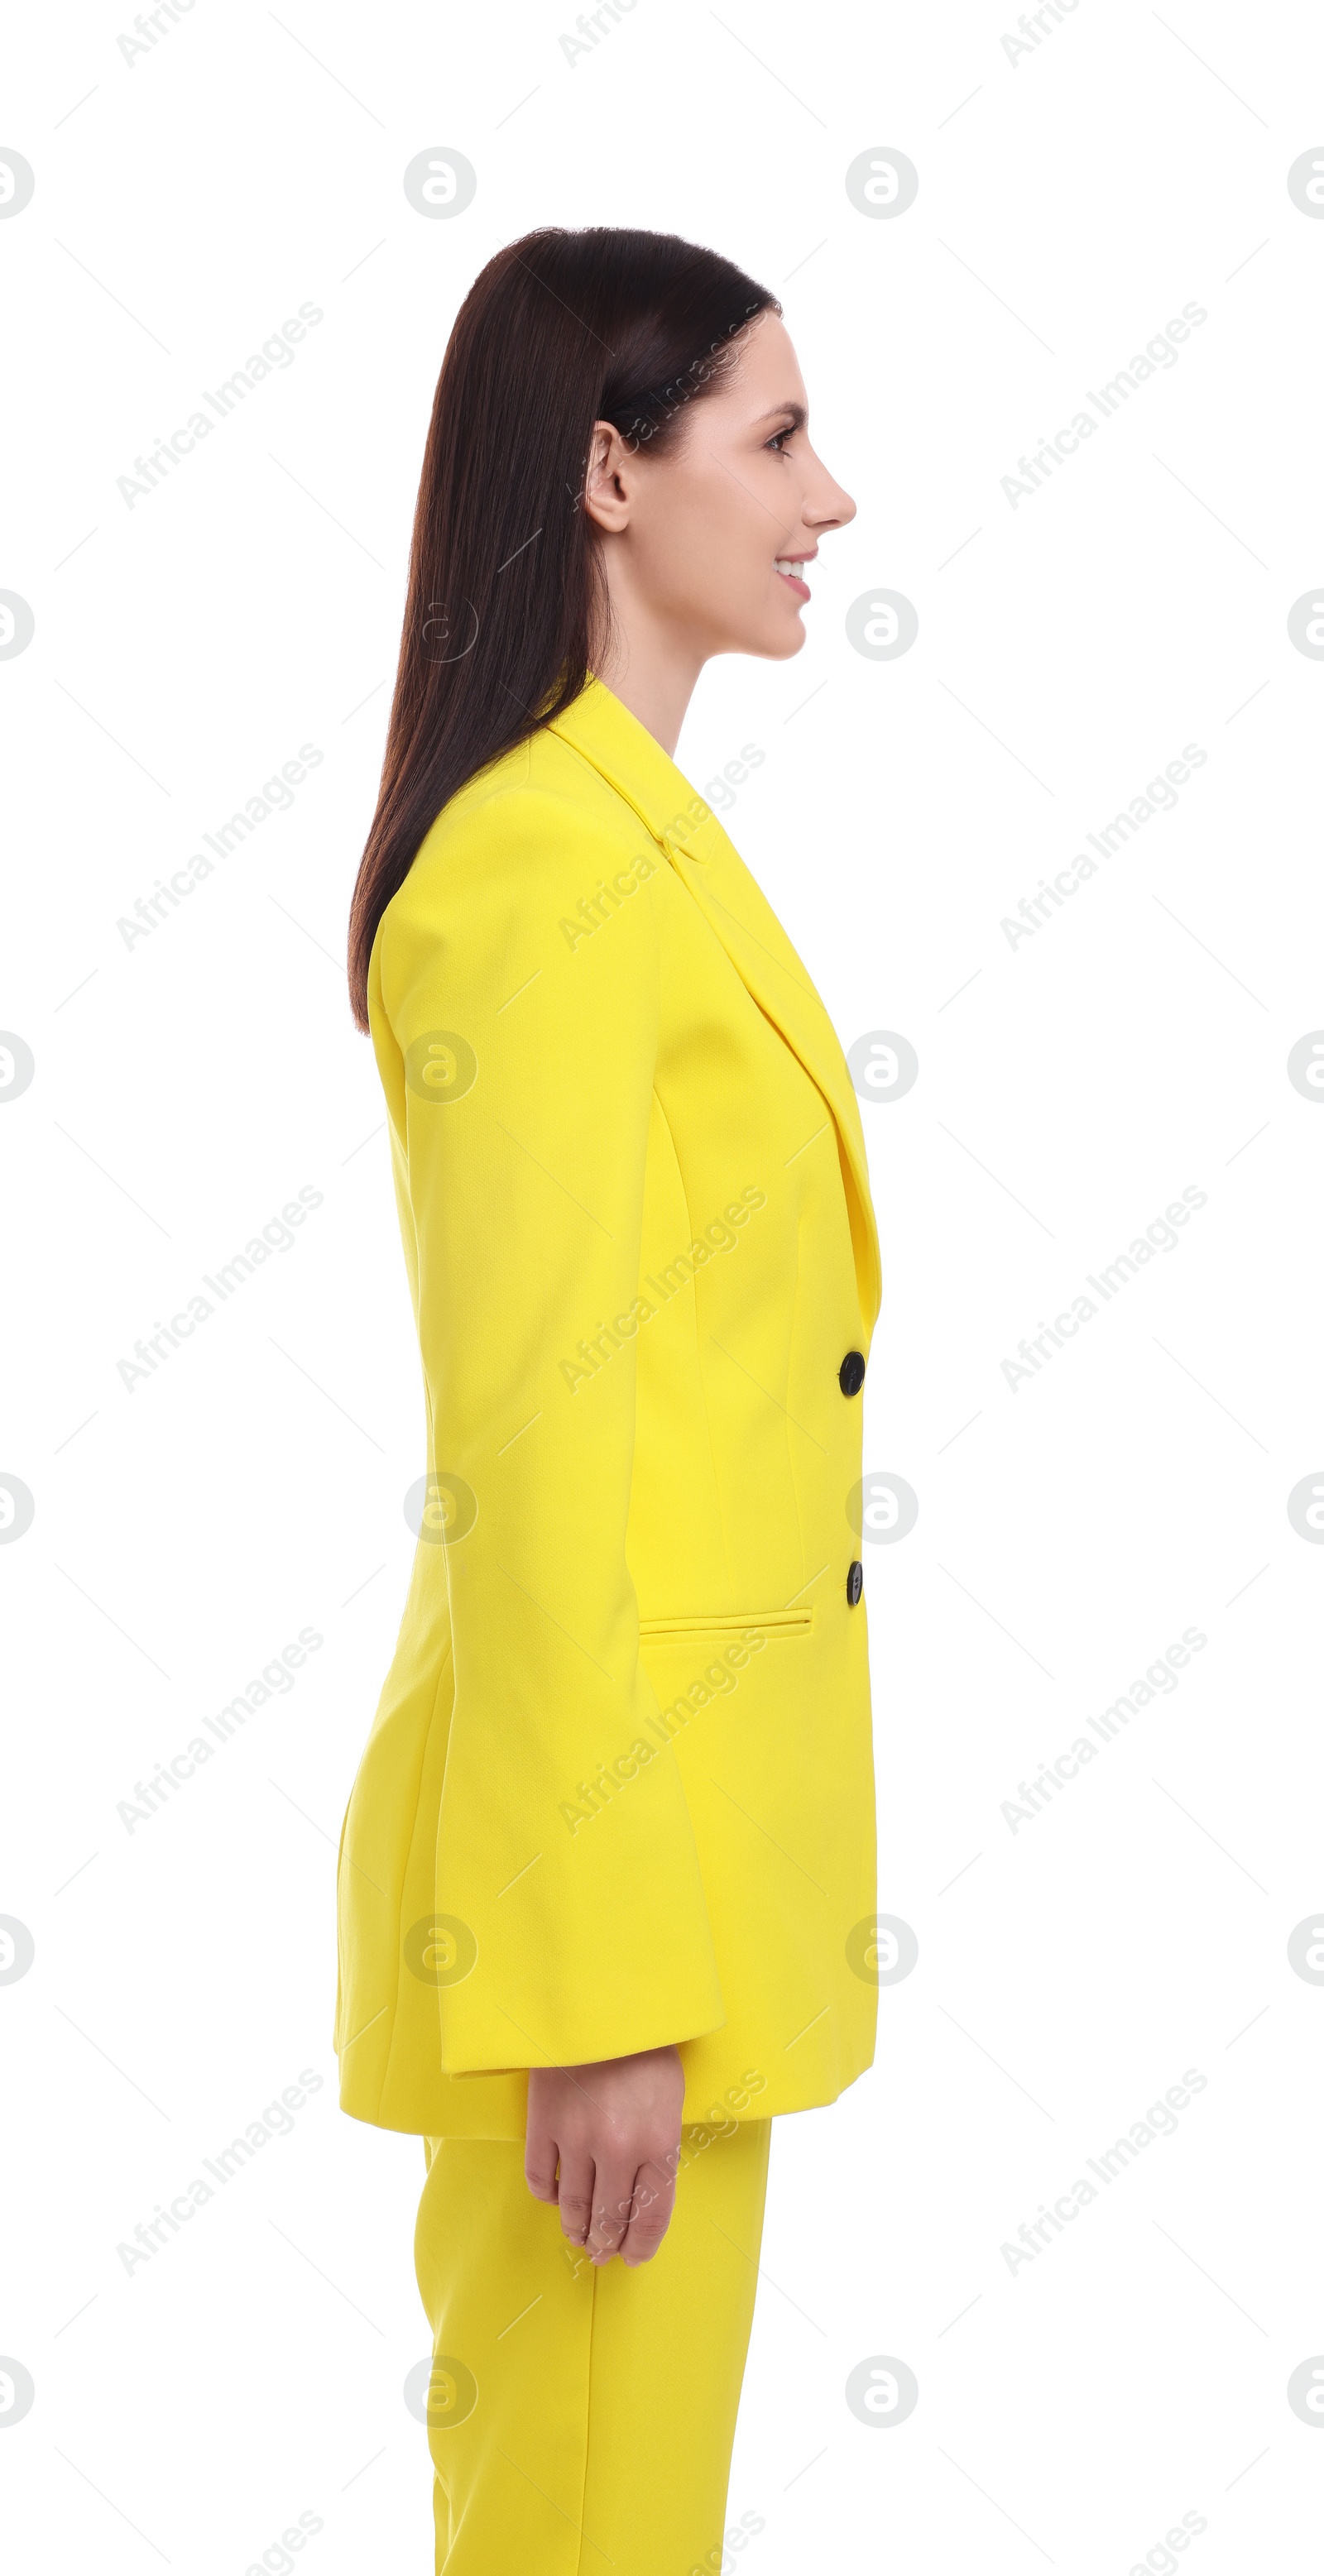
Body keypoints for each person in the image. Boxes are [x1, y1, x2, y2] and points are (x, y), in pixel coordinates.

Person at [338, 224, 881, 2576]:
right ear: (602, 473)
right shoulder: (533, 874)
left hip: (691, 1902)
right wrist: (592, 1984)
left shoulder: (629, 836)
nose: (829, 496)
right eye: (773, 436)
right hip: (610, 1941)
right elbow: (530, 1455)